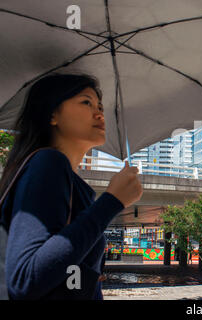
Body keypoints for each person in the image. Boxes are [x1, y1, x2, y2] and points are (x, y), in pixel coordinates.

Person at [0, 73, 143, 300]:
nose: (99, 113)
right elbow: (25, 279)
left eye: (100, 106)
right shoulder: (48, 163)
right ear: (52, 114)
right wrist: (112, 201)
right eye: (86, 102)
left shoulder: (72, 183)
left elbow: (65, 269)